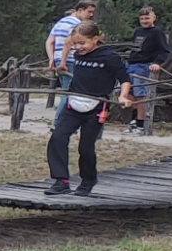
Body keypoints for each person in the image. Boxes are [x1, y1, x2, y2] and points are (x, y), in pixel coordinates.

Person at [45, 21, 133, 196]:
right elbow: (68, 45)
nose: (78, 47)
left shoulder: (108, 57)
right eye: (75, 44)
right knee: (57, 138)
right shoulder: (78, 54)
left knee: (85, 147)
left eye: (82, 43)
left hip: (96, 107)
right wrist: (61, 63)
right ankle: (61, 181)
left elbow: (124, 79)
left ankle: (88, 180)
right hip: (73, 103)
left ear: (95, 39)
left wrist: (123, 96)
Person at [46, 0, 98, 128]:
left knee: (68, 90)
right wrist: (63, 61)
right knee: (70, 92)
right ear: (80, 10)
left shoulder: (60, 22)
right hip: (69, 59)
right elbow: (68, 43)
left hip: (59, 58)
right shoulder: (77, 24)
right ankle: (59, 123)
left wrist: (52, 58)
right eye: (89, 12)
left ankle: (65, 123)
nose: (91, 15)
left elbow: (49, 41)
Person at [123, 6, 171, 135]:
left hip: (144, 65)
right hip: (132, 63)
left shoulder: (157, 32)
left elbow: (165, 50)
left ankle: (140, 123)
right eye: (142, 18)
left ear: (154, 18)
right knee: (121, 92)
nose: (144, 20)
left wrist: (157, 63)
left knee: (141, 95)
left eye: (147, 18)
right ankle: (136, 117)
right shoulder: (138, 31)